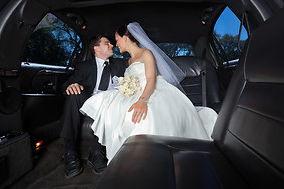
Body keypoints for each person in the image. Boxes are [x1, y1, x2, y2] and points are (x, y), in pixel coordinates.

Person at [80, 22, 217, 163]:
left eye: (117, 39)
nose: (116, 44)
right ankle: (126, 158)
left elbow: (151, 78)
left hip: (152, 90)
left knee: (146, 116)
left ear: (125, 38)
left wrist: (143, 101)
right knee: (111, 106)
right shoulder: (129, 61)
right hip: (135, 93)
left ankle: (148, 160)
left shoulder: (146, 53)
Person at [60, 34, 127, 178]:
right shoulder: (84, 66)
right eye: (107, 43)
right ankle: (70, 152)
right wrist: (71, 86)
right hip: (88, 101)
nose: (112, 46)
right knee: (73, 96)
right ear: (96, 48)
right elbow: (67, 84)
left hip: (110, 103)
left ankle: (97, 152)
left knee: (113, 101)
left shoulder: (120, 64)